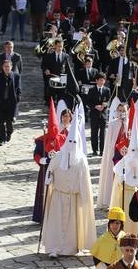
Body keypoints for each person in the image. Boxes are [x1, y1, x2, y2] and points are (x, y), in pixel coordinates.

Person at [40, 107, 96, 257]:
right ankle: (54, 248)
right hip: (58, 196)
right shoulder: (58, 157)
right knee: (56, 225)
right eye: (69, 141)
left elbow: (85, 181)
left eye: (74, 142)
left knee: (71, 227)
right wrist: (49, 179)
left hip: (73, 198)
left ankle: (70, 248)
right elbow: (50, 172)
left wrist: (84, 198)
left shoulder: (81, 161)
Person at [0, 58, 21, 145]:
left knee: (9, 123)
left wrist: (18, 98)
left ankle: (9, 133)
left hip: (11, 103)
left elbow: (18, 89)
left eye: (8, 66)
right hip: (0, 103)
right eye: (5, 66)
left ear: (11, 67)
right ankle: (1, 138)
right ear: (2, 67)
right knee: (0, 123)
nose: (7, 68)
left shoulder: (16, 76)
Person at [86, 72, 111, 156]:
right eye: (100, 80)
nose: (101, 82)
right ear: (96, 81)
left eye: (103, 80)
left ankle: (102, 150)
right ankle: (94, 150)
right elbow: (88, 102)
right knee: (94, 132)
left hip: (103, 114)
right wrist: (95, 106)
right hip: (94, 114)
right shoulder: (91, 90)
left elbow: (108, 101)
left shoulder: (107, 90)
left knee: (103, 133)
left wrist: (105, 104)